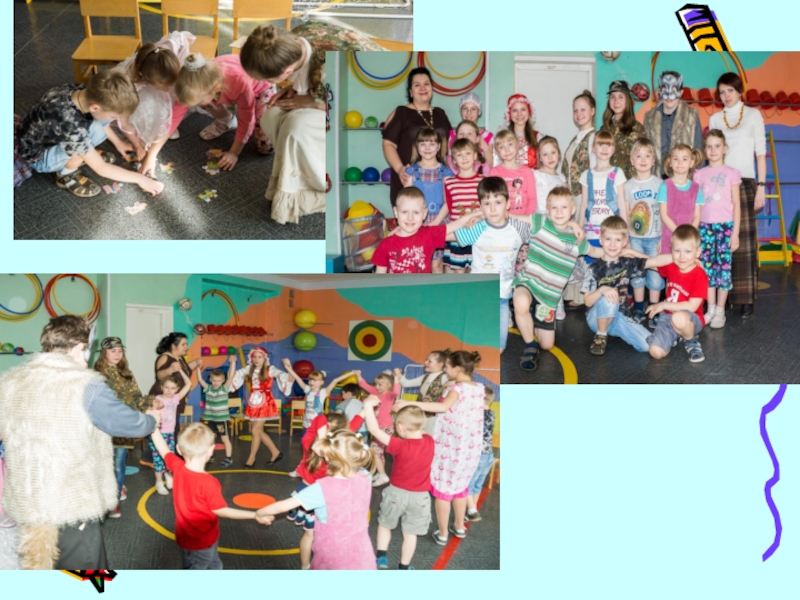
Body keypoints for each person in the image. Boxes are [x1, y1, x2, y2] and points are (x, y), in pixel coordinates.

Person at [0, 315, 159, 569]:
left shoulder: (10, 381)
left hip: (28, 497)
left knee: (41, 563)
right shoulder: (86, 385)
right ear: (79, 347)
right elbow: (130, 424)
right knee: (85, 570)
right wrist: (151, 420)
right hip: (70, 499)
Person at [13, 69, 164, 198]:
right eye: (113, 116)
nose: (114, 120)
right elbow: (101, 168)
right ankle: (66, 175)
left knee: (96, 126)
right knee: (91, 135)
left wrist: (119, 143)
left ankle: (85, 154)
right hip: (40, 158)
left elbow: (96, 120)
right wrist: (141, 179)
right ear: (95, 107)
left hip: (43, 135)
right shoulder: (70, 125)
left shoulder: (82, 91)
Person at [513, 187, 608, 371]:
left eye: (564, 207)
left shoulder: (576, 240)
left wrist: (618, 250)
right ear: (547, 210)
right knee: (521, 302)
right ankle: (530, 345)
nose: (558, 212)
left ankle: (530, 320)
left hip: (548, 297)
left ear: (572, 209)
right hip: (529, 283)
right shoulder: (540, 222)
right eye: (554, 208)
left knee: (547, 345)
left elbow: (596, 252)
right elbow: (513, 217)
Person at [395, 351, 484, 545]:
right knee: (459, 488)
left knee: (444, 491)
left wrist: (408, 402)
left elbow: (443, 407)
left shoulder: (457, 389)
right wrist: (450, 385)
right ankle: (459, 526)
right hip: (469, 449)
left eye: (447, 367)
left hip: (451, 448)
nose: (445, 370)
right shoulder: (479, 388)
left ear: (457, 369)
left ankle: (443, 533)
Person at [256, 430, 377, 570]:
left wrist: (259, 513)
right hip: (363, 553)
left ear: (327, 457)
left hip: (332, 557)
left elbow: (282, 506)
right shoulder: (366, 476)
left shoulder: (323, 488)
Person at [150, 421, 262, 569]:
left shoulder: (177, 467)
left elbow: (163, 448)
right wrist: (254, 515)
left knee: (212, 564)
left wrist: (152, 425)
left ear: (178, 449)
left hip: (186, 537)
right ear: (211, 450)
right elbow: (221, 510)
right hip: (202, 542)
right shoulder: (208, 482)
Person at [708, 72, 767, 318]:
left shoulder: (753, 115)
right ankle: (724, 299)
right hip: (719, 184)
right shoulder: (715, 118)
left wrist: (761, 185)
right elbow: (712, 153)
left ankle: (745, 299)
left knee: (743, 242)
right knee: (720, 243)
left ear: (739, 91)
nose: (726, 96)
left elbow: (760, 153)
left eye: (730, 90)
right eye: (722, 92)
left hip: (744, 183)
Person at [452, 177, 529, 353]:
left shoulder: (518, 227)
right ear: (480, 207)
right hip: (479, 293)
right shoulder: (477, 228)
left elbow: (544, 225)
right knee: (471, 343)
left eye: (498, 202)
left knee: (498, 349)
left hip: (503, 296)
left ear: (508, 204)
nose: (493, 209)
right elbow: (446, 235)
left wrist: (570, 224)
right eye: (487, 204)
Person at [582, 216, 675, 355]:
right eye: (608, 239)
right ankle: (601, 336)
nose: (612, 244)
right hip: (596, 319)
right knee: (610, 295)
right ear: (600, 240)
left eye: (618, 240)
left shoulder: (626, 263)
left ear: (625, 242)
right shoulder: (593, 268)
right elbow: (587, 301)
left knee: (647, 345)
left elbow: (655, 261)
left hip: (619, 318)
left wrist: (680, 257)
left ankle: (610, 332)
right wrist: (602, 290)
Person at [285, 412, 364, 569]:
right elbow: (352, 427)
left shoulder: (309, 442)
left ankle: (305, 566)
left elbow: (320, 418)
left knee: (310, 534)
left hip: (309, 492)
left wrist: (321, 436)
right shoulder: (338, 447)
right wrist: (364, 410)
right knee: (324, 535)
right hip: (327, 496)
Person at [363, 399, 434, 570]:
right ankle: (404, 566)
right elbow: (419, 428)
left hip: (396, 494)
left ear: (400, 427)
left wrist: (367, 406)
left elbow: (374, 430)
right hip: (420, 498)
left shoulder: (399, 445)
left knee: (385, 524)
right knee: (410, 534)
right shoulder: (429, 441)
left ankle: (381, 557)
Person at [172, 53, 275, 171]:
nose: (195, 105)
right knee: (203, 101)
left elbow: (246, 120)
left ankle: (275, 126)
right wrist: (154, 151)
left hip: (262, 87)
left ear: (215, 90)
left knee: (265, 147)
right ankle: (227, 122)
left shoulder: (239, 83)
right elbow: (176, 115)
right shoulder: (190, 83)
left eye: (199, 100)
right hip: (226, 88)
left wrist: (234, 153)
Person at [113, 32, 193, 177]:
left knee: (170, 98)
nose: (167, 89)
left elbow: (179, 39)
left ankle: (164, 121)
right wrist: (136, 143)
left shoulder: (166, 55)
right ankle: (154, 124)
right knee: (144, 106)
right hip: (133, 89)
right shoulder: (125, 86)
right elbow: (123, 120)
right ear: (145, 78)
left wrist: (167, 124)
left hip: (155, 74)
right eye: (163, 86)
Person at [94, 336, 157, 517]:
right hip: (103, 427)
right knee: (103, 464)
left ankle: (113, 502)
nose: (117, 354)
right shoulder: (97, 375)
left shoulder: (126, 373)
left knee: (119, 464)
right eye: (112, 351)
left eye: (120, 351)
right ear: (104, 352)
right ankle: (105, 494)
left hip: (123, 426)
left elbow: (137, 398)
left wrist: (152, 401)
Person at [381, 67, 453, 206]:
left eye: (426, 84)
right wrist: (400, 169)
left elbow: (450, 144)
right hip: (409, 181)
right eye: (417, 85)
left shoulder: (440, 113)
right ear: (410, 91)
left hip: (438, 183)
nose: (423, 88)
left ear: (432, 88)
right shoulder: (402, 112)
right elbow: (388, 144)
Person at [370, 187, 481, 274]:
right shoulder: (385, 245)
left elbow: (458, 223)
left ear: (424, 214)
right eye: (404, 212)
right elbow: (380, 279)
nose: (410, 218)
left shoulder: (429, 234)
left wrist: (483, 213)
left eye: (416, 212)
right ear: (396, 212)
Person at [693, 130, 742, 329]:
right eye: (709, 146)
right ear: (705, 150)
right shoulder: (699, 174)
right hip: (704, 227)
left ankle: (721, 310)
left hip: (725, 227)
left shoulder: (732, 173)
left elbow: (736, 204)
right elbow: (696, 205)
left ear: (725, 148)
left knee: (723, 270)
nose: (713, 150)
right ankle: (711, 308)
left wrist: (735, 233)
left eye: (717, 146)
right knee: (707, 270)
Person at [645, 225, 710, 363]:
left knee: (678, 318)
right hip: (667, 317)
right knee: (655, 352)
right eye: (677, 251)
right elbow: (652, 262)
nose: (681, 256)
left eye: (687, 251)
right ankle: (676, 335)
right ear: (671, 250)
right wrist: (629, 255)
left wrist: (663, 305)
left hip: (690, 318)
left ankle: (691, 341)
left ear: (698, 252)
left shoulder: (699, 275)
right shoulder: (672, 266)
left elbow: (691, 306)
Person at [561, 90, 599, 310]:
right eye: (575, 110)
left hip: (585, 197)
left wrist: (587, 201)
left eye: (583, 109)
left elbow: (594, 171)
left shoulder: (594, 137)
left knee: (584, 243)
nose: (579, 114)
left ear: (592, 111)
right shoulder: (576, 138)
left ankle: (585, 294)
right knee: (574, 244)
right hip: (573, 198)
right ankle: (574, 291)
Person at [229, 347, 292, 467]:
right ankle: (276, 452)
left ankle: (251, 458)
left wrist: (288, 367)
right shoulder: (249, 368)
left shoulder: (270, 369)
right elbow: (233, 376)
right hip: (253, 402)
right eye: (254, 357)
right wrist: (232, 363)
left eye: (260, 357)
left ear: (265, 358)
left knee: (254, 430)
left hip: (265, 402)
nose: (257, 359)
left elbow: (289, 378)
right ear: (251, 358)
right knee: (258, 431)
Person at [625, 138, 665, 322]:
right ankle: (639, 309)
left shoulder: (660, 184)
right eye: (638, 156)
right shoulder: (628, 186)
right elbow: (626, 213)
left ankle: (654, 310)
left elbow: (665, 212)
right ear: (632, 161)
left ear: (653, 160)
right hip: (635, 239)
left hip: (656, 238)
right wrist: (626, 238)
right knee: (637, 275)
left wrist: (664, 238)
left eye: (647, 156)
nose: (643, 160)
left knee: (656, 277)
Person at [404, 127, 454, 273]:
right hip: (416, 224)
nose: (427, 148)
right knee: (418, 263)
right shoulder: (411, 172)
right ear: (417, 146)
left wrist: (436, 223)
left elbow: (448, 202)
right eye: (423, 144)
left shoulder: (446, 172)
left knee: (436, 265)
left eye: (431, 144)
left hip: (439, 221)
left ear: (438, 146)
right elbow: (406, 202)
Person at [148, 332, 201, 460]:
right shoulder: (165, 357)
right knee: (161, 429)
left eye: (186, 344)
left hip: (173, 399)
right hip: (162, 400)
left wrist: (196, 362)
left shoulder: (179, 359)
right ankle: (158, 458)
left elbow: (185, 370)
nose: (186, 347)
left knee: (172, 428)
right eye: (183, 344)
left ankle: (167, 457)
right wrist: (170, 369)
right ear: (173, 346)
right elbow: (159, 375)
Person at [643, 71, 703, 178]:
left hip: (683, 179)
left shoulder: (691, 117)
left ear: (681, 92)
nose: (669, 96)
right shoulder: (649, 118)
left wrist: (697, 181)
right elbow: (645, 150)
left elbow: (698, 151)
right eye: (665, 90)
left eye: (674, 91)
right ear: (659, 92)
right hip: (656, 179)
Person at [440, 138, 484, 273]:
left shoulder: (484, 180)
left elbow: (487, 208)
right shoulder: (449, 182)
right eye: (459, 155)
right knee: (459, 272)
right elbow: (448, 207)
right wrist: (435, 224)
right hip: (457, 236)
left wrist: (480, 218)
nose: (464, 158)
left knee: (477, 271)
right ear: (454, 160)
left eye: (468, 153)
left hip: (478, 235)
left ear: (475, 155)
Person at [355, 369, 401, 487]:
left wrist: (396, 376)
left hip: (386, 428)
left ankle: (383, 475)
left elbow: (396, 391)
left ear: (388, 385)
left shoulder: (389, 396)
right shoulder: (375, 393)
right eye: (376, 384)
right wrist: (358, 375)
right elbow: (363, 385)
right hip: (379, 428)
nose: (377, 387)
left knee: (374, 450)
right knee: (378, 452)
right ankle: (381, 473)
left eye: (381, 384)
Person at [658, 144, 705, 254]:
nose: (680, 162)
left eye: (684, 159)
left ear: (691, 163)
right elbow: (663, 215)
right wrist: (679, 233)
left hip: (689, 240)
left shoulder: (696, 188)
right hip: (670, 238)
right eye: (676, 159)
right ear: (670, 162)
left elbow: (697, 217)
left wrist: (688, 235)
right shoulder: (664, 186)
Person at [151, 369, 192, 495]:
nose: (169, 391)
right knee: (158, 458)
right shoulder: (157, 399)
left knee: (169, 458)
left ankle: (168, 476)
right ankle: (159, 482)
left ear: (177, 389)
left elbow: (189, 384)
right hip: (157, 435)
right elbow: (151, 414)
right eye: (167, 387)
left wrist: (180, 370)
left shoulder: (175, 398)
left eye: (173, 388)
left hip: (170, 433)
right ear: (162, 387)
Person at [281, 361, 353, 429]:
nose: (311, 382)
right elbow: (297, 378)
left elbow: (335, 381)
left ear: (322, 382)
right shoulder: (307, 390)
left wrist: (352, 373)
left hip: (317, 425)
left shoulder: (323, 392)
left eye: (315, 380)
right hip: (306, 424)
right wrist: (287, 368)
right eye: (310, 380)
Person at [198, 355, 237, 468]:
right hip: (210, 419)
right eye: (214, 380)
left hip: (221, 420)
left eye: (219, 380)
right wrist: (198, 368)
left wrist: (232, 363)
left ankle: (228, 458)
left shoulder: (224, 388)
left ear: (222, 381)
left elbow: (230, 377)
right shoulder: (208, 388)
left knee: (224, 438)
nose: (216, 382)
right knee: (209, 438)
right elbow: (200, 380)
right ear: (210, 380)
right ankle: (210, 456)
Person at [399, 349, 450, 434]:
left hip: (434, 418)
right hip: (421, 416)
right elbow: (406, 383)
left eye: (429, 361)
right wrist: (398, 374)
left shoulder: (444, 377)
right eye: (426, 360)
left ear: (439, 364)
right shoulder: (425, 377)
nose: (425, 362)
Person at [602, 80, 646, 180]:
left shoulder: (637, 129)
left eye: (621, 97)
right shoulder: (605, 128)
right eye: (612, 97)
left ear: (628, 100)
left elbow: (643, 160)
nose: (616, 101)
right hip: (607, 183)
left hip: (629, 184)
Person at [465, 386, 496, 523]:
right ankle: (472, 510)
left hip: (477, 455)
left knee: (467, 484)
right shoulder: (491, 413)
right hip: (488, 454)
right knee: (477, 484)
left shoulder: (477, 415)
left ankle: (472, 510)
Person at [491, 129, 537, 216]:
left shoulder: (526, 171)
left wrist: (526, 218)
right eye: (502, 147)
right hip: (502, 219)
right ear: (497, 152)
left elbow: (532, 199)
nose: (507, 149)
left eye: (510, 144)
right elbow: (492, 198)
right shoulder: (494, 172)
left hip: (523, 219)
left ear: (517, 146)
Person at [448, 92, 493, 167]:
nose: (469, 113)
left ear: (479, 111)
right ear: (460, 110)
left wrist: (485, 148)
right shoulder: (453, 135)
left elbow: (491, 166)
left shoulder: (487, 136)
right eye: (465, 108)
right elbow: (450, 163)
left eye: (473, 109)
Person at [501, 93, 544, 169]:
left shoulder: (538, 137)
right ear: (509, 114)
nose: (519, 114)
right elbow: (497, 165)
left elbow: (544, 166)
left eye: (523, 109)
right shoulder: (503, 137)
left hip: (533, 176)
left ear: (529, 112)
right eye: (515, 110)